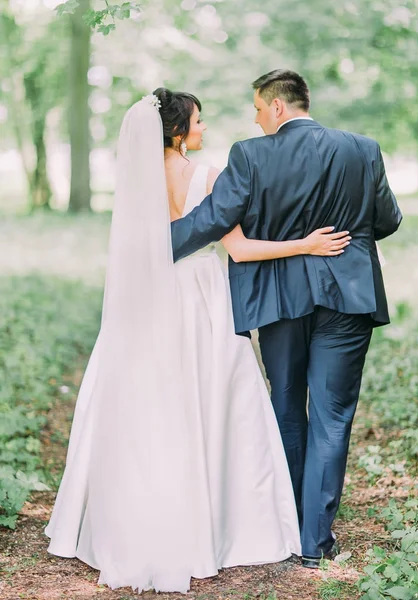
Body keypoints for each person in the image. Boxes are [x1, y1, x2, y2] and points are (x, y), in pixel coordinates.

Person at [44, 87, 350, 592]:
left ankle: (136, 512)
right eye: (199, 122)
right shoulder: (208, 177)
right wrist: (308, 244)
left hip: (146, 298)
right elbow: (242, 250)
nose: (205, 129)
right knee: (211, 400)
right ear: (179, 132)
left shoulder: (136, 181)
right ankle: (221, 518)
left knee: (151, 404)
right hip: (201, 298)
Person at [170, 69, 403, 568]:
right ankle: (314, 542)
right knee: (333, 416)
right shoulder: (362, 149)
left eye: (258, 108)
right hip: (348, 297)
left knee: (286, 406)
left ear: (278, 107)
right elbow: (388, 220)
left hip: (279, 298)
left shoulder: (250, 155)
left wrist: (151, 245)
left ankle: (284, 522)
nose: (255, 120)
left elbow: (213, 218)